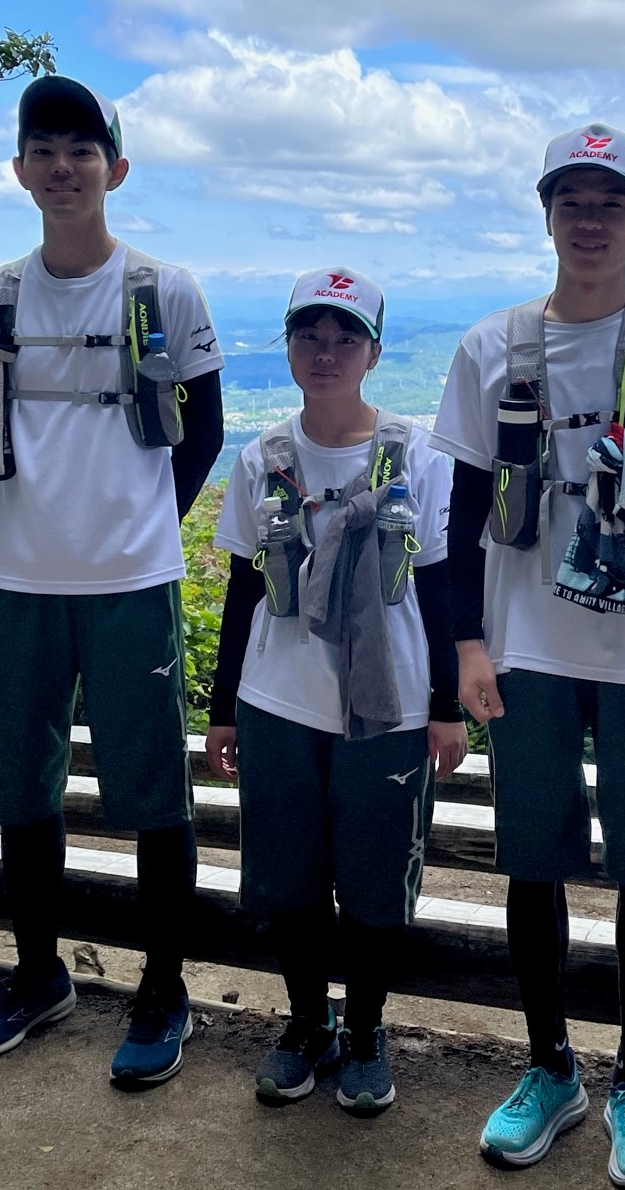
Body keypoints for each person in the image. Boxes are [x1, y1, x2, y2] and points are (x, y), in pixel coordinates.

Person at [431, 125, 625, 1188]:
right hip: (525, 644)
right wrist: (467, 645)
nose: (591, 220)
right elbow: (464, 504)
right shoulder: (494, 346)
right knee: (533, 859)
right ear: (547, 213)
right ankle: (550, 1065)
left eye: (612, 202)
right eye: (573, 200)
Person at [0, 75, 225, 1087]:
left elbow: (204, 431)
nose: (64, 167)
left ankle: (163, 990)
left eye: (82, 149)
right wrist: (29, 506)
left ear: (116, 168)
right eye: (45, 150)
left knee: (155, 796)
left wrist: (139, 524)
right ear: (19, 169)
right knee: (22, 788)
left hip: (133, 580)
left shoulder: (163, 288)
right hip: (17, 576)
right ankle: (36, 975)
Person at [206, 268, 468, 1115]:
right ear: (287, 347)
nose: (326, 353)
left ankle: (365, 1028)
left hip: (389, 701)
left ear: (374, 352)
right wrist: (221, 708)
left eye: (345, 338)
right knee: (288, 877)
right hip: (277, 696)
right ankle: (306, 1021)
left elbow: (440, 584)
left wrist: (446, 705)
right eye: (309, 337)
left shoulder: (415, 455)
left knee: (375, 878)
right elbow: (243, 587)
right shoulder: (262, 458)